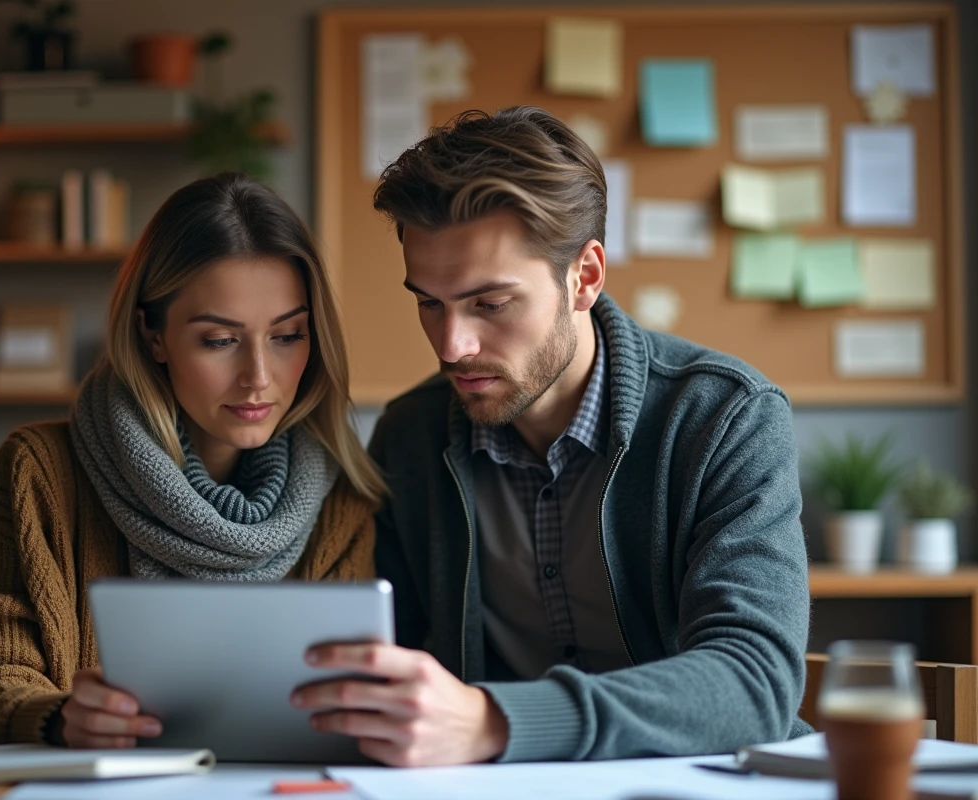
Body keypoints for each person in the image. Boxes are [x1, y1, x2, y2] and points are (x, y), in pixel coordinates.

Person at [291, 107, 811, 765]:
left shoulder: (722, 418)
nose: (453, 345)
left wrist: (498, 722)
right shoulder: (411, 436)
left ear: (584, 277)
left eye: (490, 303)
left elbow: (755, 684)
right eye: (429, 302)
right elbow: (377, 660)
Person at [0, 173, 384, 748]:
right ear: (153, 337)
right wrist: (56, 717)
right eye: (219, 340)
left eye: (287, 336)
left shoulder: (340, 499)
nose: (258, 377)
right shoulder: (39, 472)